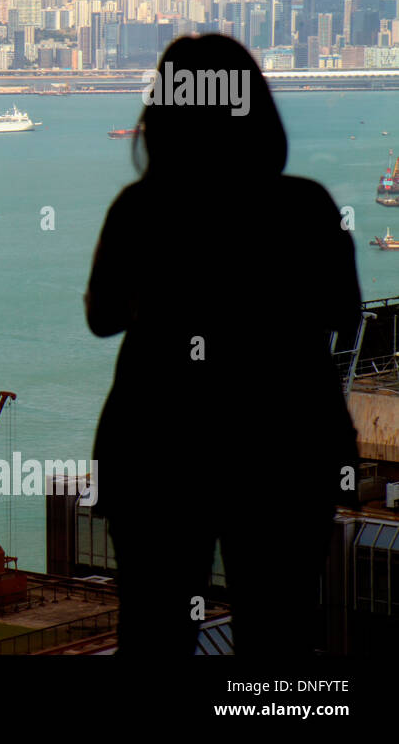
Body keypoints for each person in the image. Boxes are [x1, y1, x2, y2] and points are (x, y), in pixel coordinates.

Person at [85, 33, 361, 655]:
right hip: (287, 444)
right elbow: (344, 313)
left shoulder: (140, 208)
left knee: (153, 633)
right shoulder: (306, 206)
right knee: (282, 632)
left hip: (156, 446)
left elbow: (102, 319)